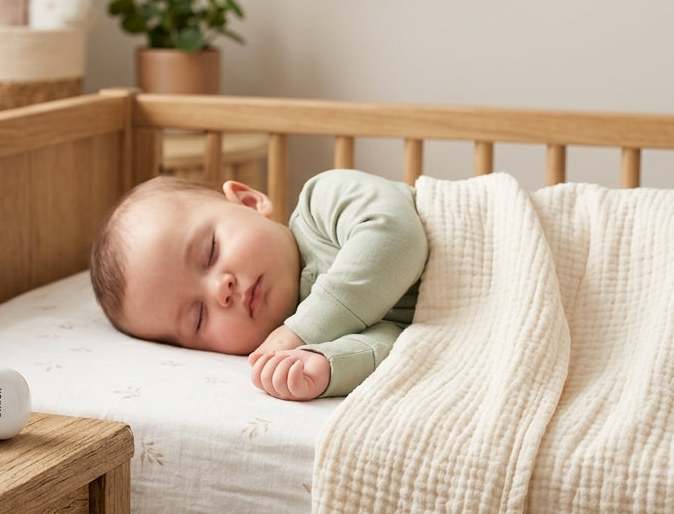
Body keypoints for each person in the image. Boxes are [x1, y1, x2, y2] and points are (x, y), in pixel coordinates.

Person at [90, 168, 428, 401]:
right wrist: (326, 365)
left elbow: (397, 239)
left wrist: (302, 331)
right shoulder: (323, 335)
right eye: (197, 317)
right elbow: (407, 347)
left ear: (249, 202)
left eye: (210, 252)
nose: (219, 291)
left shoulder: (322, 202)